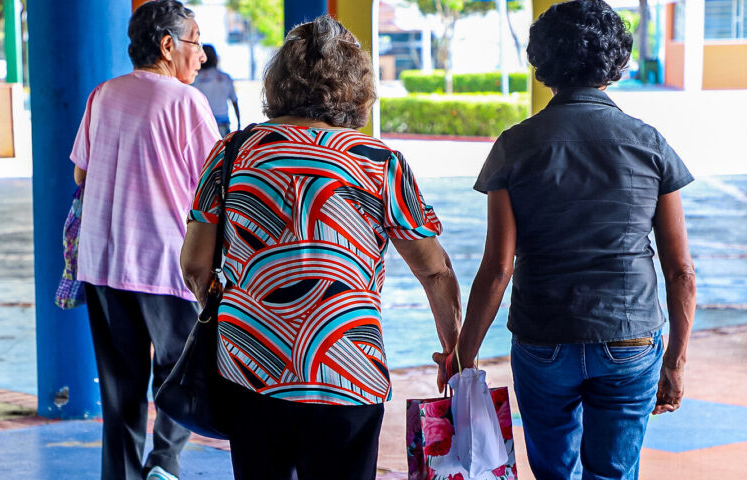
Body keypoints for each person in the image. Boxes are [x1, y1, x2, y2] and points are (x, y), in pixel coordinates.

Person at [180, 15, 461, 480]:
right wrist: (453, 348)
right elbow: (435, 271)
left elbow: (194, 263)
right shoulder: (380, 162)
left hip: (251, 366)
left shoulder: (232, 150)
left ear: (279, 81)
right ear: (357, 86)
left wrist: (239, 312)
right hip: (348, 371)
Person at [449, 1, 696, 479]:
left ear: (543, 64)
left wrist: (464, 354)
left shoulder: (514, 145)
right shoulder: (649, 144)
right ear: (616, 62)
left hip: (544, 338)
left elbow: (498, 268)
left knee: (553, 470)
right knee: (613, 471)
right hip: (631, 337)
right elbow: (680, 270)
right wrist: (676, 361)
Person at [70, 1, 220, 479]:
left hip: (102, 263)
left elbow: (80, 172)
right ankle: (164, 464)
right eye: (194, 41)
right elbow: (214, 187)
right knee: (182, 374)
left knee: (120, 392)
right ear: (167, 44)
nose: (200, 55)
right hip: (164, 264)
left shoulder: (103, 95)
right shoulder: (186, 103)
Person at [192, 44, 241, 136]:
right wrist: (239, 122)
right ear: (215, 59)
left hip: (202, 123)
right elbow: (234, 101)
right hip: (222, 122)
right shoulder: (225, 77)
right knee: (222, 150)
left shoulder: (194, 78)